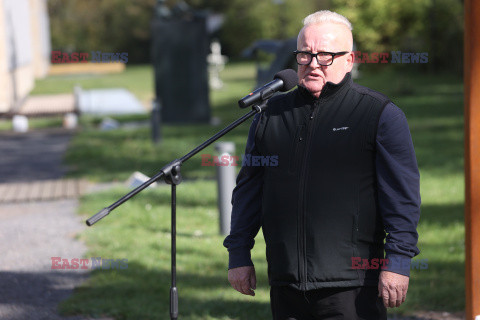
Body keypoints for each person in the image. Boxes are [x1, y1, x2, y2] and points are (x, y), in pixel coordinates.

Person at [223, 10, 421, 320]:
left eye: (326, 55)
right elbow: (249, 189)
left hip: (352, 285)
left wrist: (398, 262)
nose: (314, 64)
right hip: (286, 282)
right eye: (305, 54)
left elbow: (402, 198)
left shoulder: (379, 114)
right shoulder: (270, 114)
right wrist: (238, 254)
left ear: (349, 59)